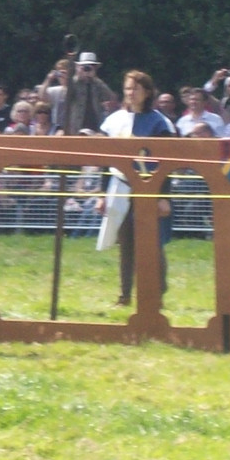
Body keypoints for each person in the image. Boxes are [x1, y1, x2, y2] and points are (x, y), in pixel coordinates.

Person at [97, 70, 175, 307]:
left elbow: (165, 163)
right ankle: (125, 295)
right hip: (120, 187)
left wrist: (163, 196)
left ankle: (157, 294)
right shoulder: (114, 121)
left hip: (149, 189)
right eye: (128, 88)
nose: (131, 93)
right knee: (126, 243)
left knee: (151, 243)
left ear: (147, 92)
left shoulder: (159, 123)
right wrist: (102, 193)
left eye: (136, 89)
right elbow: (105, 159)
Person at [60, 51, 116, 135]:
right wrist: (77, 76)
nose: (87, 69)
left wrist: (95, 78)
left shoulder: (97, 84)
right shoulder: (74, 83)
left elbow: (111, 97)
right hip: (77, 128)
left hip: (96, 127)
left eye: (91, 67)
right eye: (84, 67)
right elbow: (65, 96)